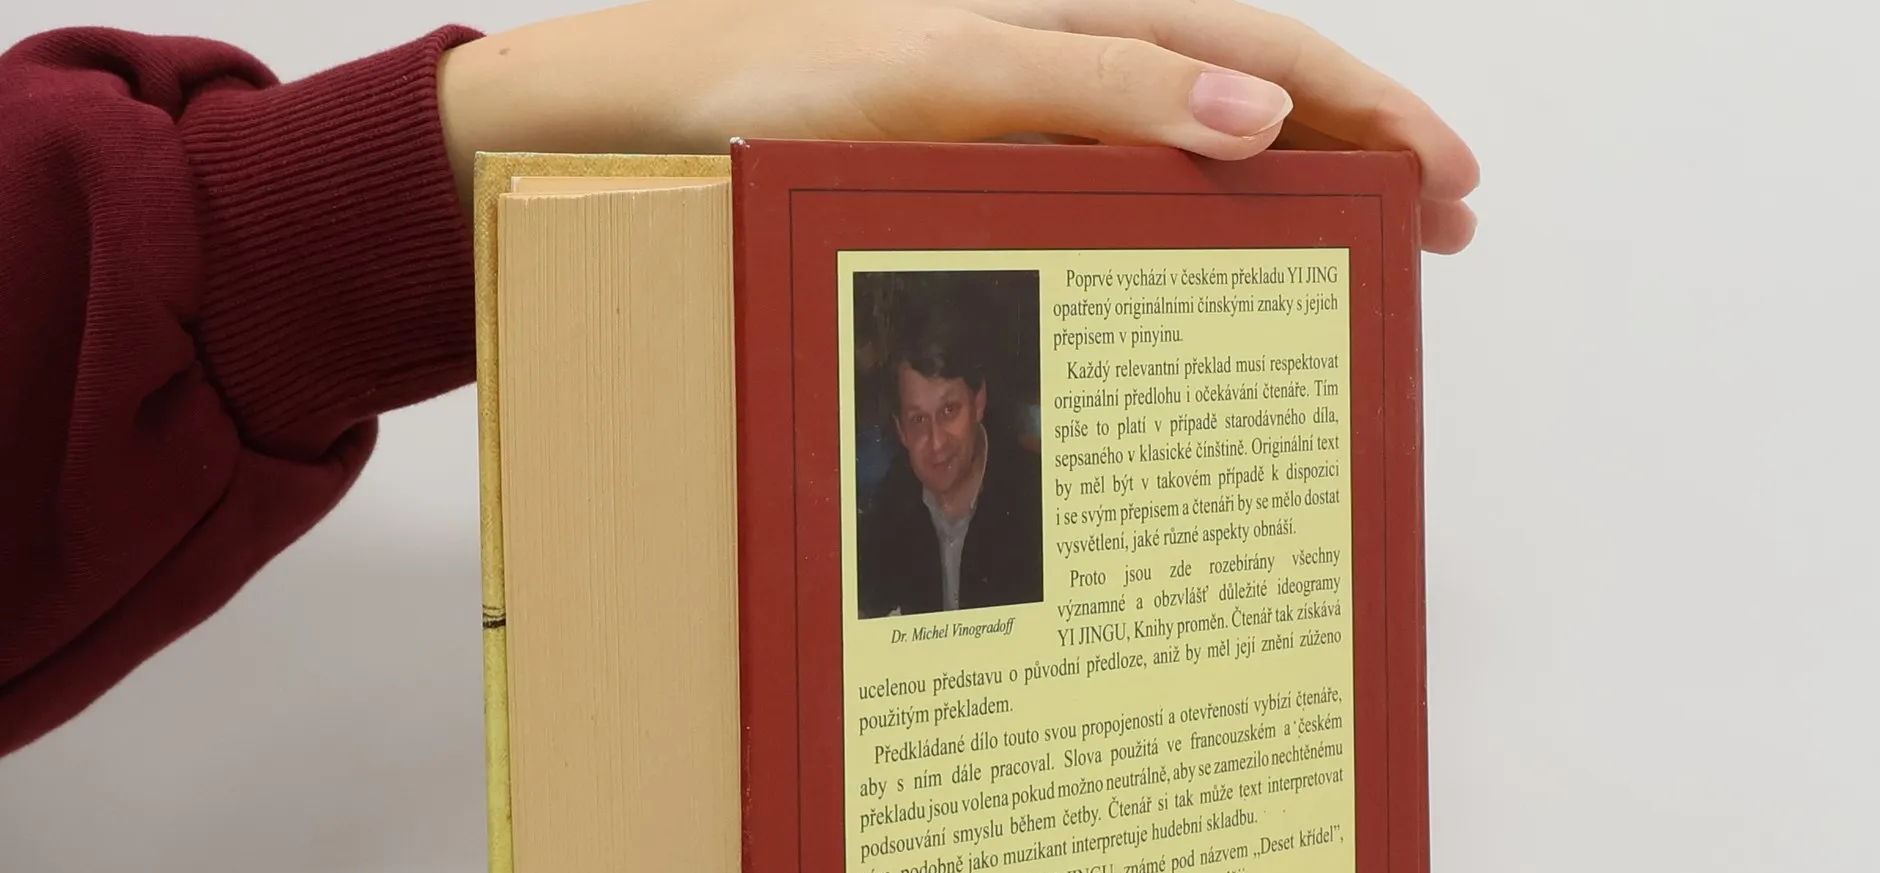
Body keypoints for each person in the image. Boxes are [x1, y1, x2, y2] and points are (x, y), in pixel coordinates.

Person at [0, 0, 1477, 758]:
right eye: (912, 412)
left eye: (948, 409)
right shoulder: (881, 533)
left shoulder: (1034, 517)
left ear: (988, 410)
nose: (930, 434)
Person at [858, 306, 1045, 618]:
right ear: (901, 431)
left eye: (949, 411)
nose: (936, 442)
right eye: (918, 420)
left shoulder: (1036, 501)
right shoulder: (891, 501)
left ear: (978, 402)